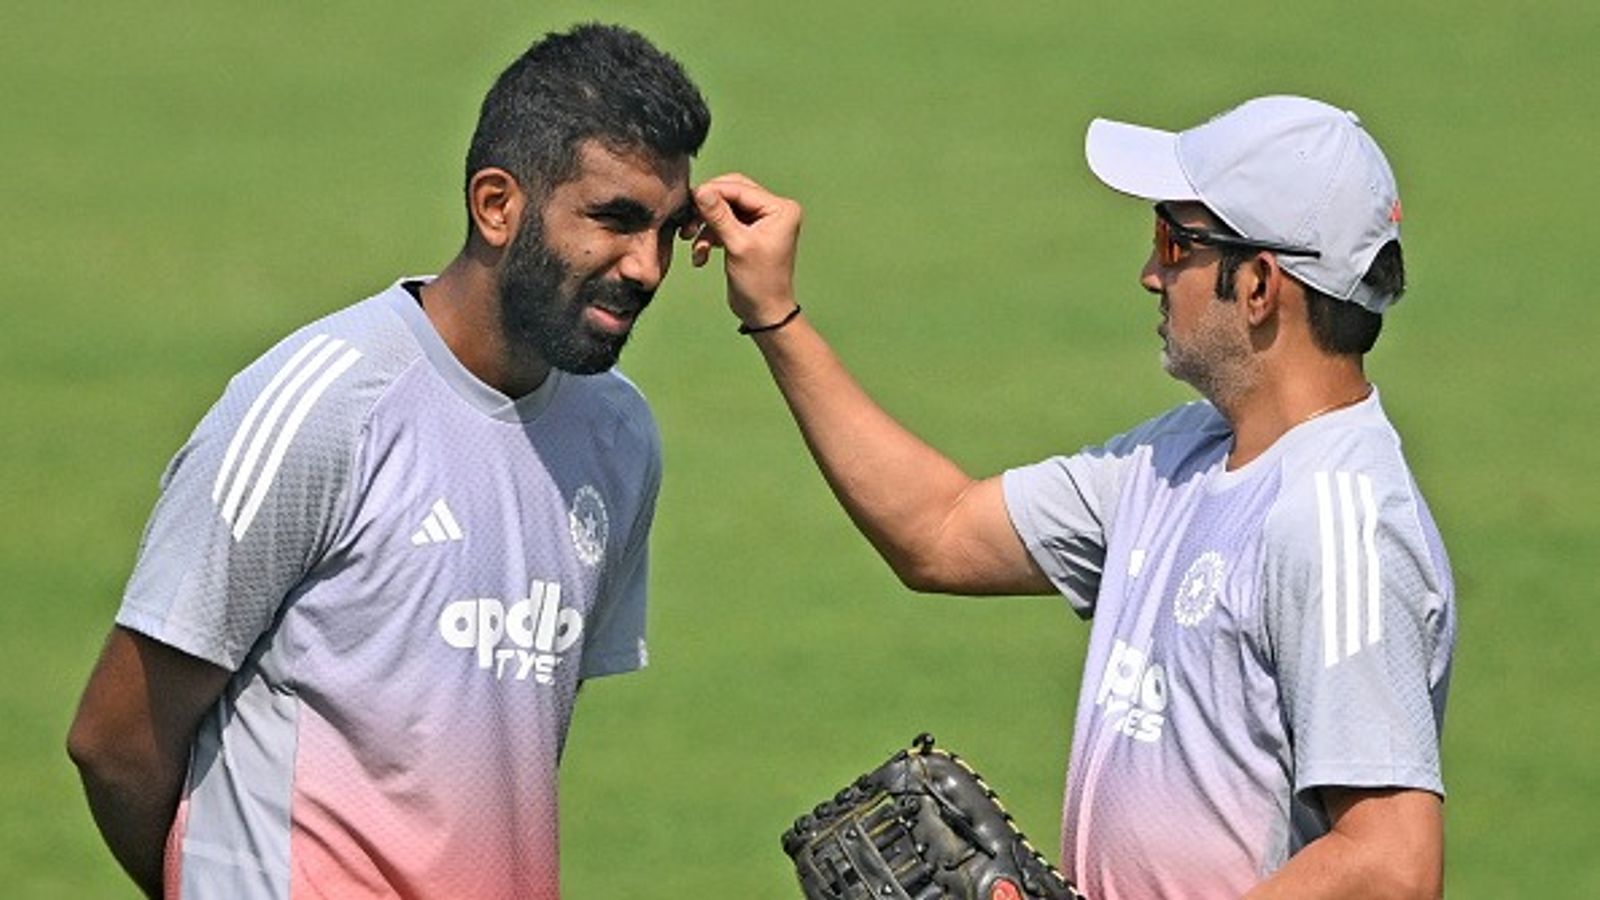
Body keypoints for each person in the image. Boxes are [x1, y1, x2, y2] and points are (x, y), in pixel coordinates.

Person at [688, 96, 1455, 898]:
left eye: (1174, 240)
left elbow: (1392, 865)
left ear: (1259, 285)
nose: (1151, 272)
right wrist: (774, 313)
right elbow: (940, 530)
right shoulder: (1177, 459)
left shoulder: (1341, 523)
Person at [66, 23, 709, 899]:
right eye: (615, 220)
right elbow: (116, 740)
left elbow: (505, 744)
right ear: (497, 205)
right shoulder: (324, 408)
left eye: (671, 230)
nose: (648, 267)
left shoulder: (617, 437)